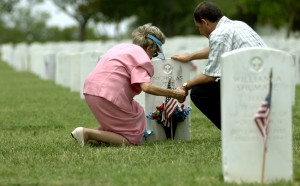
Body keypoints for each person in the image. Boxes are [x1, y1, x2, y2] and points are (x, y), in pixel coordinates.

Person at [71, 23, 187, 146]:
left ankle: (95, 139)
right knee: (133, 139)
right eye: (155, 52)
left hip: (91, 89)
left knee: (136, 110)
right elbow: (146, 86)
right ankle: (87, 134)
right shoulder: (141, 57)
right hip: (107, 94)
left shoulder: (123, 47)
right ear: (149, 48)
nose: (153, 57)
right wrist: (174, 93)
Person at [172, 1, 267, 130]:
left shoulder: (218, 35)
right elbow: (216, 48)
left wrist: (185, 86)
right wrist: (190, 57)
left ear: (205, 22)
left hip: (250, 84)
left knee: (199, 92)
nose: (200, 32)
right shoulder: (238, 25)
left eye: (198, 27)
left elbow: (210, 76)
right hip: (268, 79)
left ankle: (234, 131)